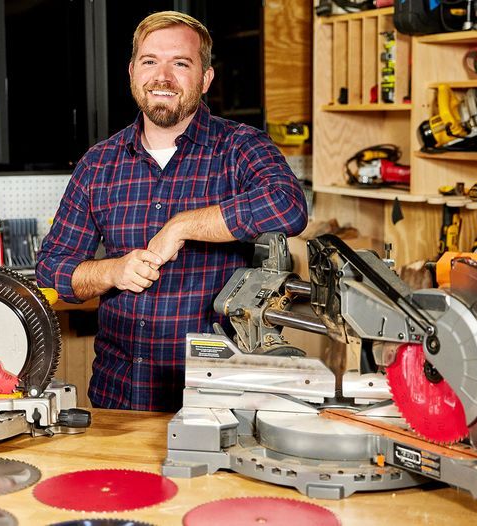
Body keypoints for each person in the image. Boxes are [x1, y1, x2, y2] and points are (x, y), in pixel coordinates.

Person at [37, 11, 307, 412]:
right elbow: (51, 270)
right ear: (132, 72)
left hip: (218, 403)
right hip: (119, 398)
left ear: (205, 78)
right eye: (150, 61)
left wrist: (183, 225)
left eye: (180, 63)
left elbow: (288, 205)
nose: (162, 77)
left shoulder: (240, 148)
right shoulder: (99, 164)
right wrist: (113, 271)